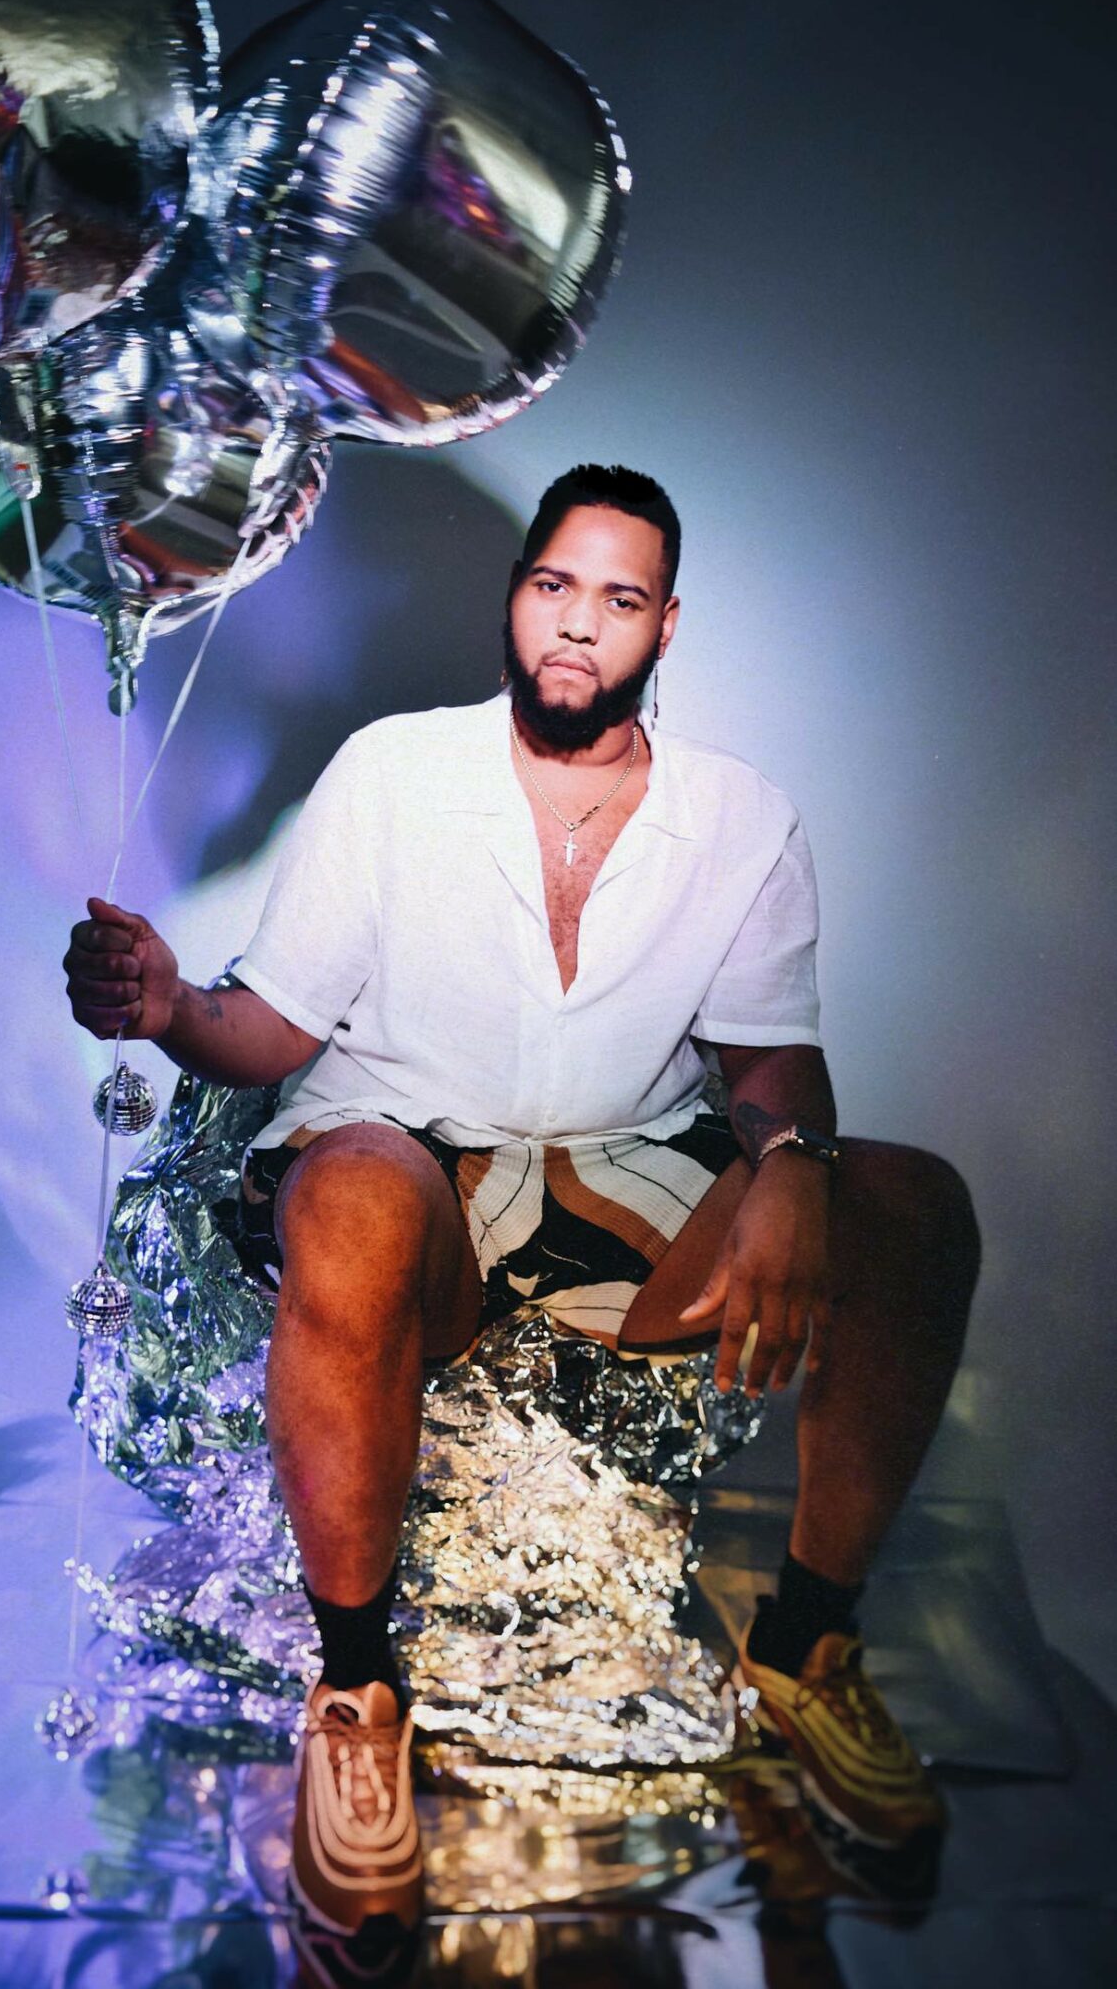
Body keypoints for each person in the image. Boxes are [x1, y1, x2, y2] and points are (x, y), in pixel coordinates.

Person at [63, 465, 980, 1948]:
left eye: (617, 600)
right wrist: (171, 1005)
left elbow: (770, 1062)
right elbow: (274, 1033)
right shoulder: (395, 773)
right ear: (518, 597)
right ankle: (357, 1692)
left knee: (913, 1205)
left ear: (663, 628)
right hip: (411, 1170)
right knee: (355, 1182)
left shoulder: (742, 817)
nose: (576, 626)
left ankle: (807, 1645)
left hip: (625, 1178)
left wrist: (799, 1167)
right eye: (555, 586)